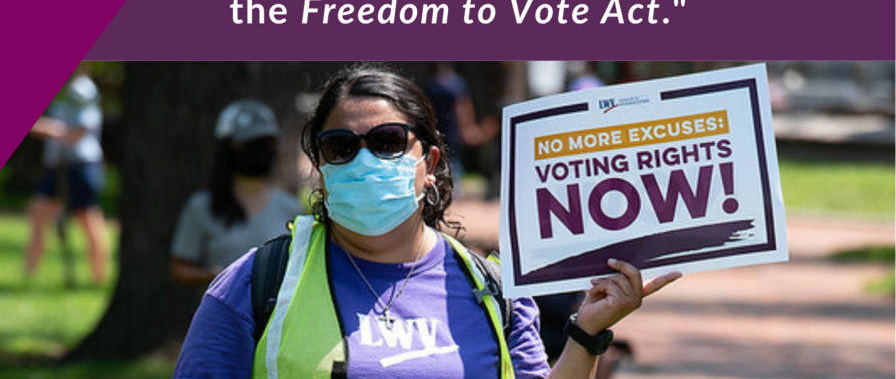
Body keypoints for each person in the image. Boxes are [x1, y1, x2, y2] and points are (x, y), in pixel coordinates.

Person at [173, 65, 680, 379]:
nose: (365, 161)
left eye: (389, 142)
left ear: (430, 163)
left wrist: (587, 334)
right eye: (341, 147)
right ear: (322, 168)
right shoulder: (255, 285)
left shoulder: (495, 290)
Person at [169, 100, 300, 285]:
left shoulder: (290, 207)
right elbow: (179, 267)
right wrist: (212, 277)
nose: (260, 150)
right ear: (228, 148)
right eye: (251, 143)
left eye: (267, 142)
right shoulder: (201, 207)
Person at [25, 69, 109, 284]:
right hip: (59, 166)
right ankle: (29, 275)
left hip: (80, 165)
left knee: (88, 220)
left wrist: (43, 128)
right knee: (37, 214)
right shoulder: (63, 88)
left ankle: (98, 278)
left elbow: (77, 133)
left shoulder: (82, 89)